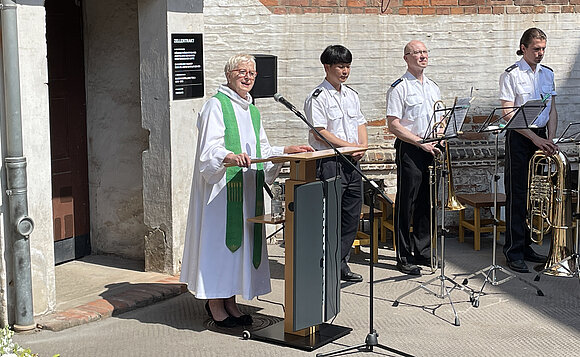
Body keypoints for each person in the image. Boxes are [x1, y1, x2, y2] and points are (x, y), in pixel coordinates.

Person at [180, 54, 313, 327]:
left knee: (240, 247)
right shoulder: (216, 106)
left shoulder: (251, 110)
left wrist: (284, 151)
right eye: (242, 71)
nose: (248, 76)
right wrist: (228, 157)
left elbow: (260, 150)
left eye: (252, 72)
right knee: (221, 245)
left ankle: (230, 301)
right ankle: (214, 303)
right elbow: (209, 150)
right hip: (221, 192)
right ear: (229, 74)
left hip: (245, 190)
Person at [304, 45, 368, 283]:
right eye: (340, 66)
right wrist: (347, 147)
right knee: (331, 215)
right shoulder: (317, 97)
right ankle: (324, 264)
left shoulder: (351, 95)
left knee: (351, 214)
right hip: (330, 161)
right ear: (327, 67)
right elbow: (320, 132)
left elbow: (361, 122)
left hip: (352, 162)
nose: (345, 71)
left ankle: (341, 262)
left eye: (348, 66)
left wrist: (362, 145)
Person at [500, 28, 556, 273]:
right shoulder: (511, 74)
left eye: (543, 48)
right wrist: (534, 139)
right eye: (536, 49)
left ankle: (527, 246)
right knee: (518, 194)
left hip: (541, 138)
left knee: (536, 195)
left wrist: (549, 139)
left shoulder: (547, 74)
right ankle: (513, 250)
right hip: (521, 138)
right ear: (523, 48)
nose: (540, 53)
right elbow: (507, 113)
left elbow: (552, 109)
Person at [386, 40, 441, 276]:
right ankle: (404, 255)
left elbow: (441, 116)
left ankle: (423, 250)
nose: (422, 56)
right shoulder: (399, 88)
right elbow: (393, 124)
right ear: (406, 58)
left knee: (426, 202)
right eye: (417, 53)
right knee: (407, 202)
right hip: (411, 148)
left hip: (433, 148)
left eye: (425, 52)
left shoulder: (433, 87)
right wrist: (420, 142)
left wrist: (440, 133)